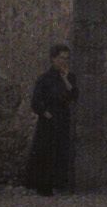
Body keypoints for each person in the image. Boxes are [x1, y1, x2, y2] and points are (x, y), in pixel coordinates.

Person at [24, 44, 78, 197]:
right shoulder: (45, 79)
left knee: (61, 150)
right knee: (45, 152)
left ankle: (59, 184)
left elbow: (74, 96)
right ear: (53, 59)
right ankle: (43, 186)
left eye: (67, 58)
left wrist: (66, 80)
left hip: (63, 119)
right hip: (48, 120)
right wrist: (46, 113)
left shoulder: (70, 77)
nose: (64, 61)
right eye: (61, 58)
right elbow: (36, 101)